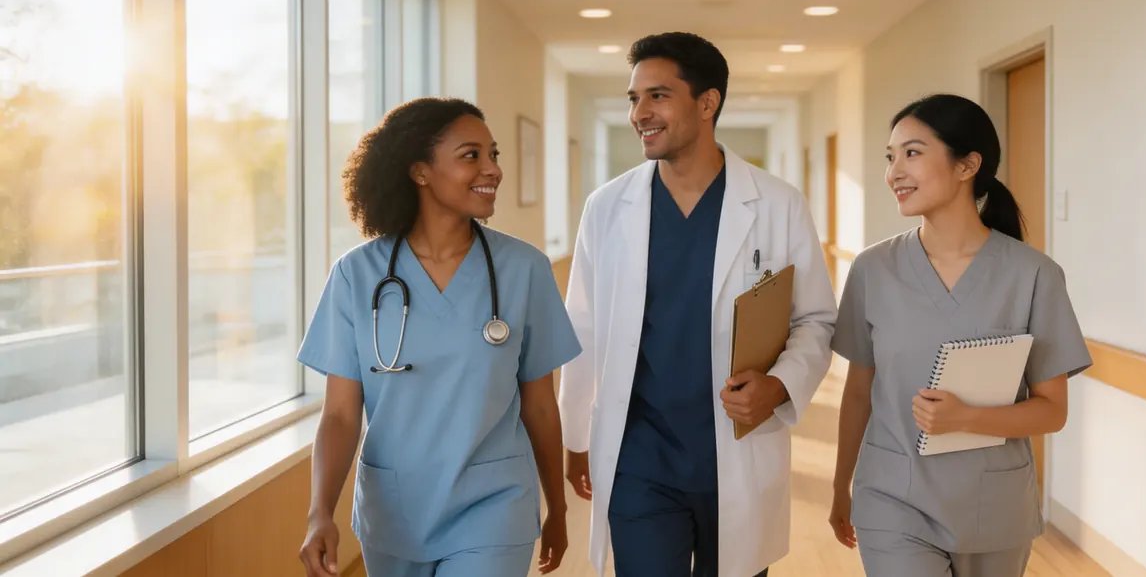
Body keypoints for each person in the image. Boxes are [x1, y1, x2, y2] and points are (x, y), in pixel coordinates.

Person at [558, 32, 838, 577]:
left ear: (707, 103)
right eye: (634, 98)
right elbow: (584, 327)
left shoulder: (777, 203)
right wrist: (576, 438)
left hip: (737, 445)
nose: (640, 113)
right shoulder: (607, 207)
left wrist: (780, 385)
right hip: (639, 458)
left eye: (658, 96)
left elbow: (815, 319)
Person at [296, 97, 581, 577]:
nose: (493, 169)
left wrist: (558, 505)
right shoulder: (356, 275)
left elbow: (539, 405)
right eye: (472, 155)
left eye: (493, 154)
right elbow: (341, 414)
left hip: (494, 506)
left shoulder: (524, 269)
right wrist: (319, 511)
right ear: (420, 172)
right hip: (394, 508)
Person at [828, 93, 1093, 576]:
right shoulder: (872, 270)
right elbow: (859, 390)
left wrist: (967, 417)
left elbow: (1052, 410)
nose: (893, 172)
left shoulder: (1033, 275)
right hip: (891, 496)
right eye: (890, 157)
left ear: (968, 165)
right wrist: (840, 484)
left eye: (912, 153)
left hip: (993, 505)